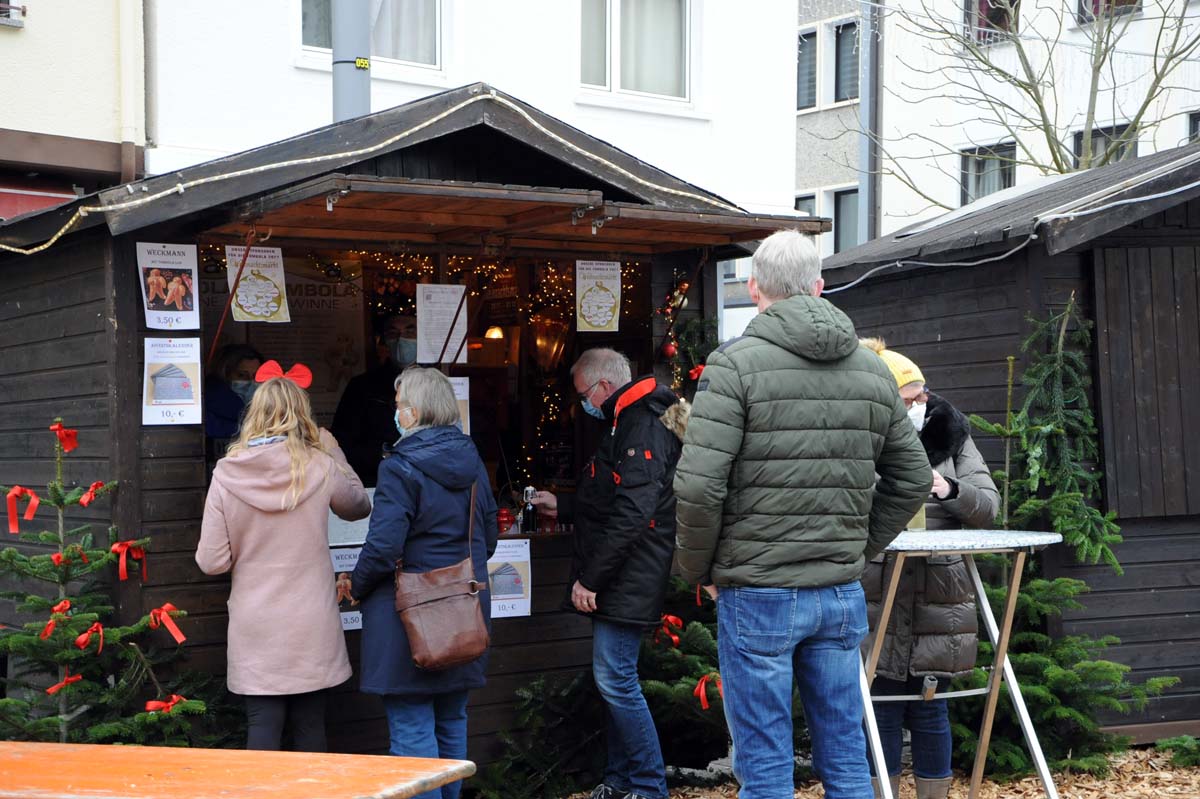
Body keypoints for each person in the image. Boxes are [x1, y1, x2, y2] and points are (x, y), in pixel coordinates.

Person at [673, 230, 933, 799]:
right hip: (838, 589)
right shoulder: (870, 370)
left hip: (758, 589)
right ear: (819, 286)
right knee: (844, 754)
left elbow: (698, 487)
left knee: (765, 764)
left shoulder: (734, 366)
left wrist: (699, 571)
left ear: (753, 287)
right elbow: (914, 477)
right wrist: (858, 547)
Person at [530, 348, 687, 799]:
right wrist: (563, 505)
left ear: (602, 386)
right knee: (616, 679)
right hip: (626, 573)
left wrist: (591, 579)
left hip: (627, 575)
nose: (582, 404)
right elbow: (612, 496)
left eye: (582, 394)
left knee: (616, 681)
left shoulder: (640, 424)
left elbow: (633, 513)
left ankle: (648, 787)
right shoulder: (630, 417)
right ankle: (621, 782)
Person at [196, 369, 371, 752]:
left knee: (262, 724)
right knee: (311, 725)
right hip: (311, 618)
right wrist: (332, 450)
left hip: (256, 621)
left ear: (254, 414)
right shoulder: (319, 464)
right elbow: (359, 505)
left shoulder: (227, 474)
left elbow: (212, 561)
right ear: (302, 415)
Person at [859, 338, 1000, 799]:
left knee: (929, 706)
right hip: (876, 589)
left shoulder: (950, 433)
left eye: (922, 395)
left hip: (939, 591)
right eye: (908, 399)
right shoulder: (859, 434)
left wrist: (949, 488)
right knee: (878, 705)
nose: (920, 404)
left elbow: (989, 507)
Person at [350, 366, 498, 799]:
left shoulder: (399, 468)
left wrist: (356, 587)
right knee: (452, 725)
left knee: (412, 738)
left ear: (413, 414)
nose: (394, 414)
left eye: (398, 406)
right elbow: (486, 540)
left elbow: (382, 549)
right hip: (464, 612)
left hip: (408, 619)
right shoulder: (473, 461)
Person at [333, 314, 419, 487]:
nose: (401, 339)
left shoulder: (439, 384)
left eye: (410, 331)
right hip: (377, 485)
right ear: (384, 341)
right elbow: (342, 444)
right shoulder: (362, 386)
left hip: (427, 488)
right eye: (393, 333)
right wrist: (385, 454)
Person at [204, 344, 264, 473]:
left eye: (256, 376)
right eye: (242, 375)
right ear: (225, 375)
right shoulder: (210, 408)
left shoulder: (267, 410)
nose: (251, 382)